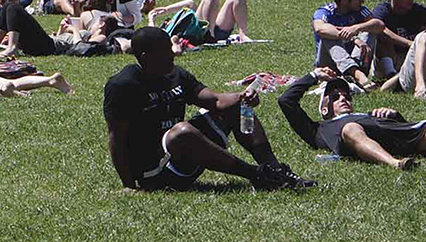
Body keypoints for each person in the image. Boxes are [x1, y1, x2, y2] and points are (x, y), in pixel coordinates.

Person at [104, 27, 312, 191]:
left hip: (184, 156)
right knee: (181, 132)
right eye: (165, 50)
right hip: (155, 172)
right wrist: (129, 186)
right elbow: (116, 138)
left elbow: (214, 100)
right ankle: (257, 174)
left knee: (237, 108)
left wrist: (242, 98)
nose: (173, 54)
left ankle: (276, 171)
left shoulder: (176, 74)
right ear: (145, 56)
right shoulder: (124, 85)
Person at [277, 71, 426, 167]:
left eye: (347, 96)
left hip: (401, 139)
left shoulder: (366, 115)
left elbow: (401, 129)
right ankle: (395, 163)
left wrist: (395, 116)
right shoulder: (317, 129)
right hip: (360, 141)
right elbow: (286, 101)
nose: (343, 98)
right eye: (335, 97)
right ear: (324, 109)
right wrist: (313, 76)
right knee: (350, 128)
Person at [313, 0, 390, 88]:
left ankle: (355, 73)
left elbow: (379, 25)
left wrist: (355, 28)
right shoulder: (325, 12)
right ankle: (357, 75)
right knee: (328, 36)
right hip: (329, 66)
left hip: (358, 60)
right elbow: (320, 28)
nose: (362, 0)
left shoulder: (361, 11)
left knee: (369, 30)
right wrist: (353, 38)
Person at [145, 0, 251, 46]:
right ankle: (208, 35)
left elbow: (190, 3)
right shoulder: (167, 32)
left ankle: (243, 36)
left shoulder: (181, 19)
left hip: (215, 31)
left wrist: (167, 9)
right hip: (197, 34)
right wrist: (151, 19)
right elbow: (153, 36)